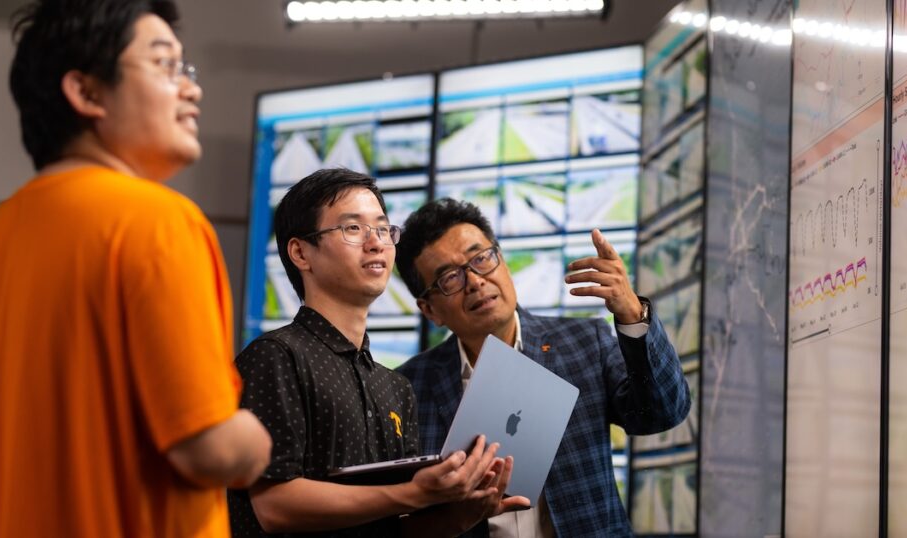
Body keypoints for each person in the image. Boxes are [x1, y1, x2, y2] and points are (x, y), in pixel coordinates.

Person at [0, 1, 273, 537]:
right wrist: (256, 439)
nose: (193, 89)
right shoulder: (157, 221)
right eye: (166, 66)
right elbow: (206, 448)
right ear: (87, 92)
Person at [229, 169, 529, 538]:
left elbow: (398, 530)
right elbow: (274, 506)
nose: (376, 243)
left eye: (384, 229)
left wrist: (462, 514)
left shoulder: (395, 387)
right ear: (300, 252)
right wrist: (412, 493)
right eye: (353, 229)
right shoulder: (276, 358)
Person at [395, 198, 692, 537]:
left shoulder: (583, 342)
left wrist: (631, 313)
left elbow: (663, 412)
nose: (475, 281)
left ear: (502, 261)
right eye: (450, 277)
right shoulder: (408, 387)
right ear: (429, 310)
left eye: (481, 259)